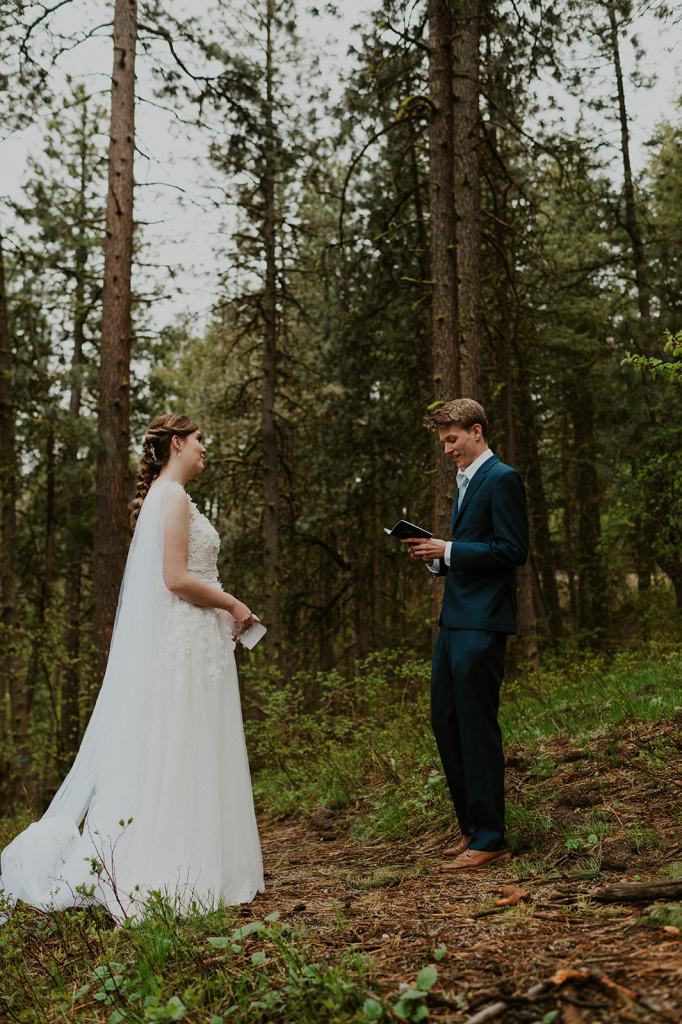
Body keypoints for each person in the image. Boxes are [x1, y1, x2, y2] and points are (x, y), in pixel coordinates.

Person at [0, 414, 264, 921]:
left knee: (190, 743)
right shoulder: (172, 497)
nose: (205, 448)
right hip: (186, 638)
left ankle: (205, 862)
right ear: (178, 444)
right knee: (182, 745)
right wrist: (234, 604)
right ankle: (175, 869)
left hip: (195, 637)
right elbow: (175, 578)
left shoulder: (167, 498)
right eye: (200, 440)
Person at [404, 399, 528, 870]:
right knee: (446, 720)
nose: (447, 450)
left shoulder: (503, 478)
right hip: (454, 620)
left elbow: (512, 550)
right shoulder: (465, 482)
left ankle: (491, 837)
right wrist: (436, 557)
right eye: (443, 442)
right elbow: (473, 551)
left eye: (452, 440)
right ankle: (472, 830)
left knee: (477, 725)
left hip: (485, 621)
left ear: (476, 431)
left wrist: (450, 549)